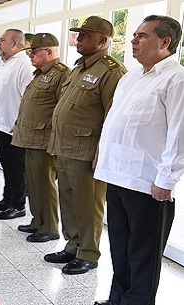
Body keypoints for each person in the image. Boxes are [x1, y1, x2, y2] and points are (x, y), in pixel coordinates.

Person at [93, 15, 184, 305]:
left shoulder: (177, 78)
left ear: (165, 42)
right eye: (134, 34)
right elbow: (116, 124)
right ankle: (117, 299)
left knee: (143, 253)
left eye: (142, 35)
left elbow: (179, 133)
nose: (133, 40)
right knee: (120, 247)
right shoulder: (130, 77)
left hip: (148, 181)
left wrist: (166, 179)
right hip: (118, 175)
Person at [44, 16, 127, 275]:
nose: (78, 39)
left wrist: (102, 154)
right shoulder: (80, 67)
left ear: (102, 41)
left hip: (87, 151)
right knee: (68, 200)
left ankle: (89, 253)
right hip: (66, 147)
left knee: (88, 204)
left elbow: (112, 116)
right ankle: (73, 245)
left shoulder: (112, 71)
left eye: (85, 35)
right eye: (78, 35)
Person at [11, 33, 71, 242]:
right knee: (34, 183)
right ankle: (38, 220)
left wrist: (56, 140)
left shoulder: (62, 74)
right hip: (31, 137)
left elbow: (62, 110)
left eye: (35, 52)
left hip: (44, 139)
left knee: (44, 184)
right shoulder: (40, 73)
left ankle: (49, 227)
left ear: (50, 51)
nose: (31, 56)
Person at [0, 29, 33, 218]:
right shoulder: (6, 63)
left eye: (2, 40)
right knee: (6, 165)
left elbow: (28, 98)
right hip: (0, 123)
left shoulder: (24, 64)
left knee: (16, 167)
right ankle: (7, 198)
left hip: (13, 126)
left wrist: (20, 122)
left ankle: (18, 204)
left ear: (14, 44)